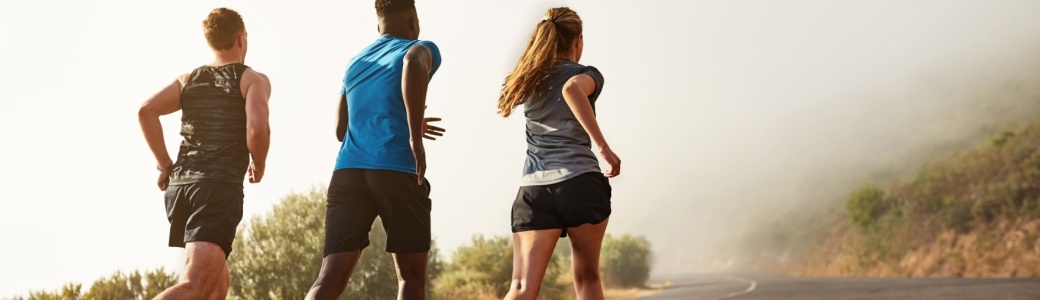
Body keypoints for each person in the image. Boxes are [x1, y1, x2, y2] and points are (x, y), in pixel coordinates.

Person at [305, 0, 444, 299]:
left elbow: (341, 130)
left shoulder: (356, 62)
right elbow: (413, 62)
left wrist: (401, 118)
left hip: (348, 173)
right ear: (412, 21)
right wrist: (414, 136)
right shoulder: (421, 46)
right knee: (410, 279)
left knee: (328, 277)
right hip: (396, 170)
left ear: (378, 25)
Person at [137, 7, 271, 300]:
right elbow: (257, 131)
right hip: (216, 188)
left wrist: (164, 165)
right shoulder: (251, 79)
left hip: (181, 189)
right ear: (241, 38)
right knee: (195, 285)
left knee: (216, 286)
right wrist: (259, 164)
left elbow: (146, 111)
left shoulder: (188, 80)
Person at [497, 7, 621, 300]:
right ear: (577, 40)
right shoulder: (584, 74)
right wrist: (603, 148)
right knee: (587, 277)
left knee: (521, 287)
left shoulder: (526, 79)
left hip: (534, 190)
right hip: (580, 182)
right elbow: (572, 89)